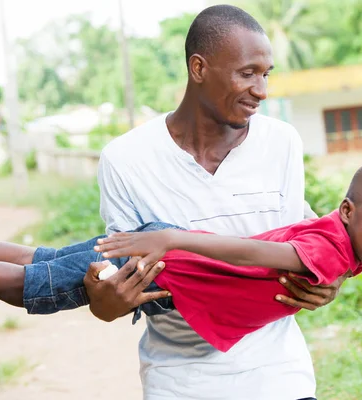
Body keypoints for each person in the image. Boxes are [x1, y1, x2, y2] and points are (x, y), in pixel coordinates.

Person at [81, 5, 335, 399]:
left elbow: (307, 240)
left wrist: (325, 282)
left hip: (280, 376)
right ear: (198, 69)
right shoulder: (126, 159)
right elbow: (120, 286)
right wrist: (106, 304)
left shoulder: (282, 143)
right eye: (247, 73)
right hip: (180, 382)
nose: (262, 90)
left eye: (266, 75)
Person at [0, 161, 362, 354]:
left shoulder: (336, 232)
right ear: (347, 212)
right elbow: (253, 252)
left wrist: (171, 240)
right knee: (20, 284)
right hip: (161, 268)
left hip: (165, 253)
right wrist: (173, 241)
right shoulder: (332, 252)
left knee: (38, 259)